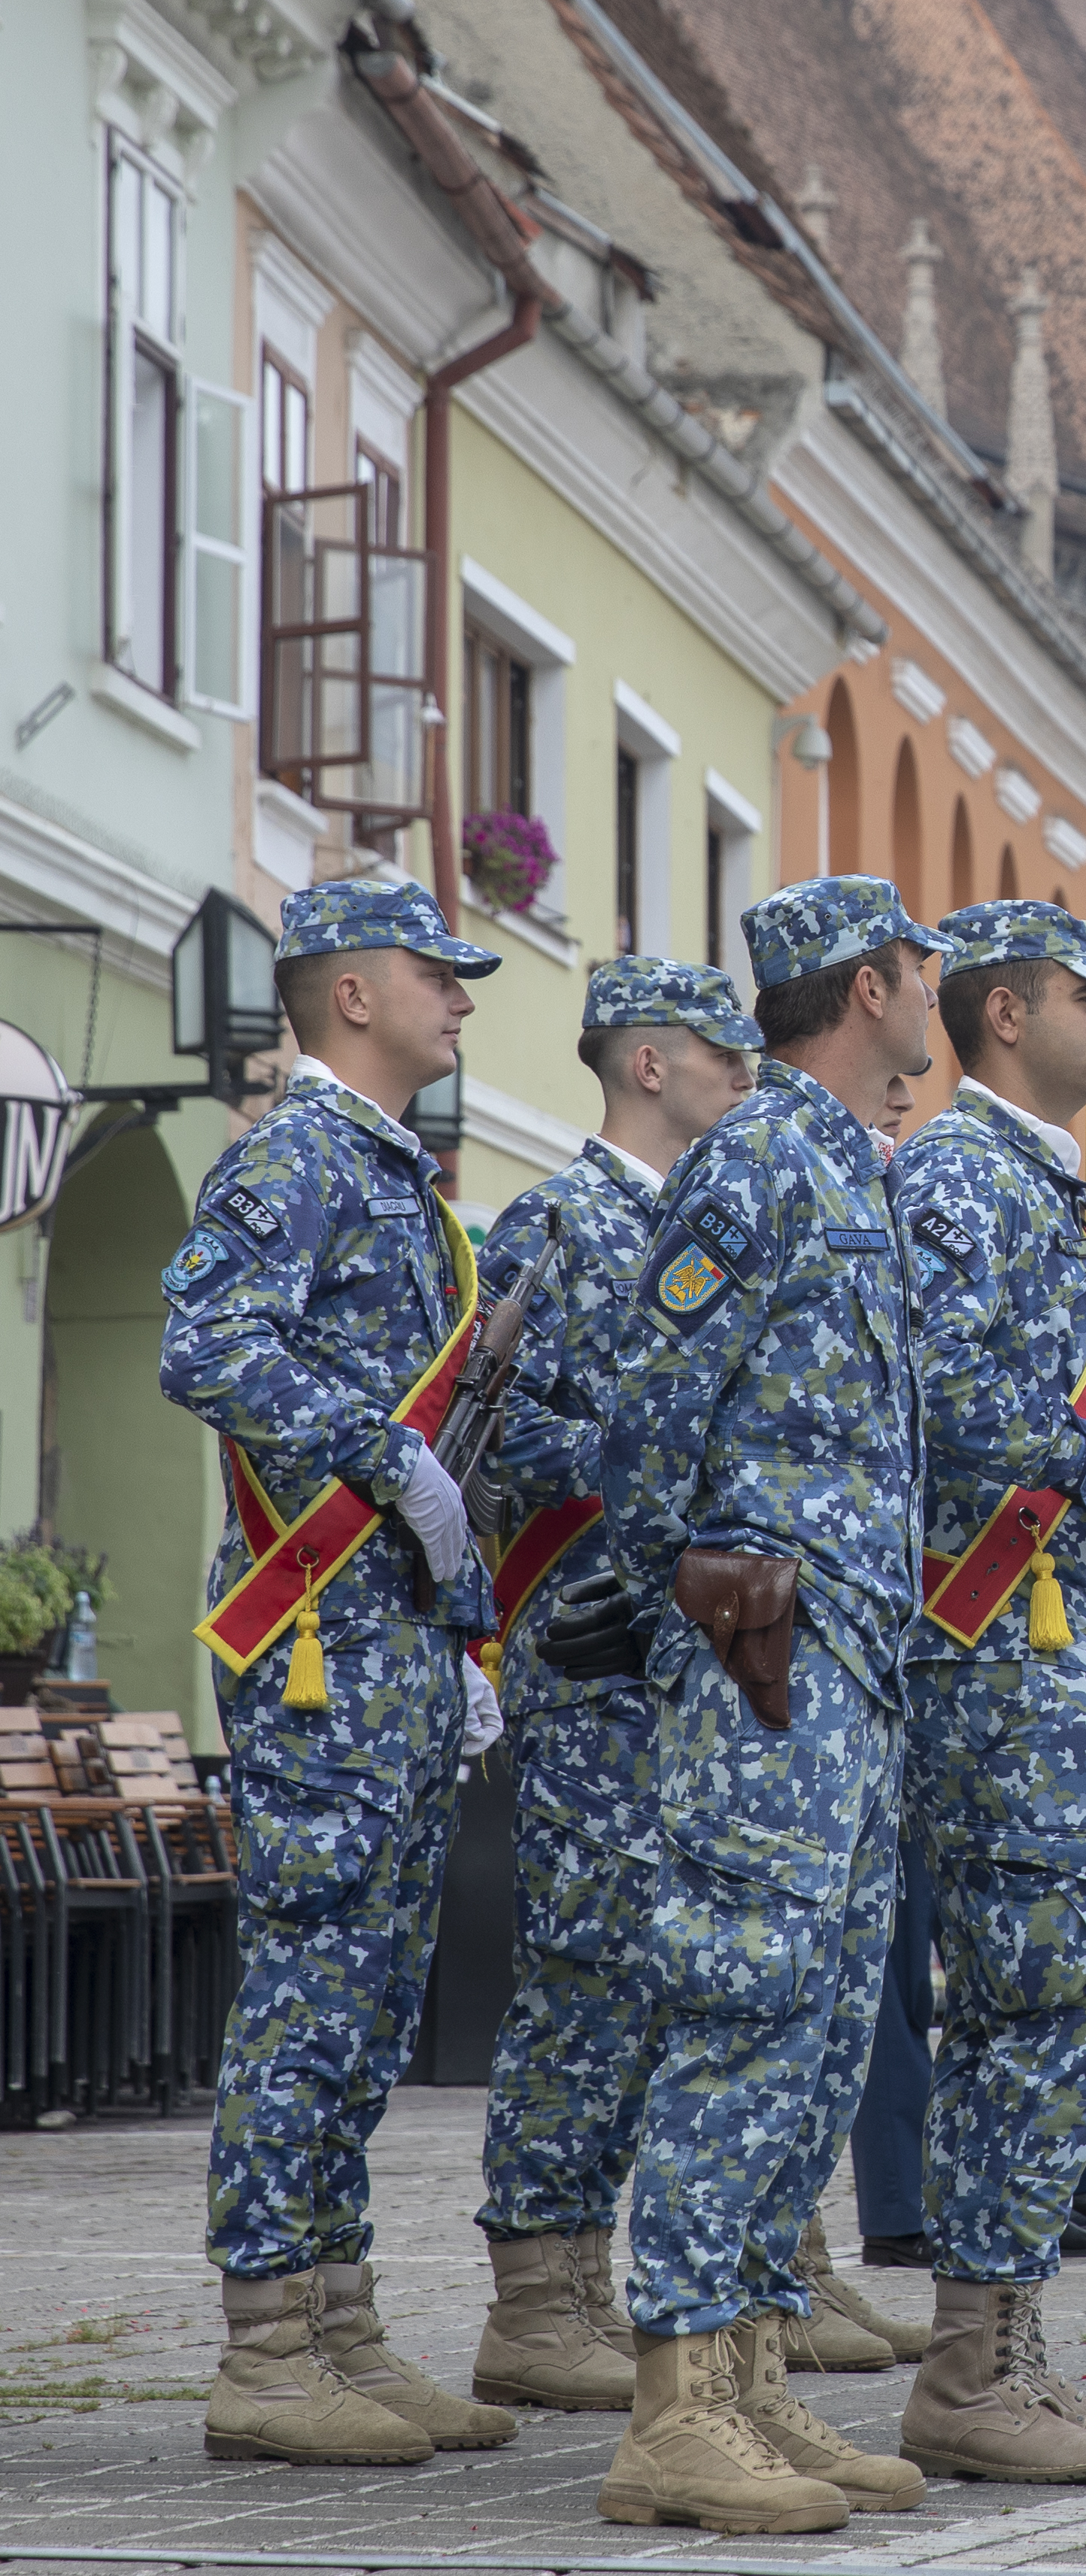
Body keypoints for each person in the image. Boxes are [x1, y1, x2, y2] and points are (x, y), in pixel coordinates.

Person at [597, 875, 942, 2533]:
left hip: (847, 1654)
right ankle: (674, 2400)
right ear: (871, 981)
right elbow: (650, 1408)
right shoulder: (755, 1155)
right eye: (923, 968)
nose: (933, 990)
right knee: (741, 2005)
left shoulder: (839, 1158)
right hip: (765, 1651)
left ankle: (745, 2377)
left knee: (810, 2020)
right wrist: (704, 1586)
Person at [164, 876, 512, 2471]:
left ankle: (338, 2315)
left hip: (391, 1638)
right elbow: (205, 1340)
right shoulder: (300, 1154)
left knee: (367, 1994)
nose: (461, 1002)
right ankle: (266, 2342)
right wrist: (386, 1457)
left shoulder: (390, 1172)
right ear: (353, 993)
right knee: (311, 1987)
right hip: (318, 1645)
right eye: (438, 977)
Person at [884, 900, 1086, 2485]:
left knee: (1068, 1994)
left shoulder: (1041, 1179)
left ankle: (1005, 2344)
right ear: (1005, 1014)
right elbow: (941, 1383)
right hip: (993, 1642)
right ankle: (971, 2363)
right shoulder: (953, 1172)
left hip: (1062, 1643)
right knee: (1041, 1990)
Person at [467, 958, 759, 2418]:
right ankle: (540, 2287)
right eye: (721, 1046)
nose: (742, 1069)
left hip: (678, 1661)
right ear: (648, 1059)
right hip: (586, 1653)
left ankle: (600, 2269)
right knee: (582, 1971)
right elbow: (490, 1421)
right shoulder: (557, 1220)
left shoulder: (691, 1224)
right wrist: (646, 1475)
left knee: (653, 1976)